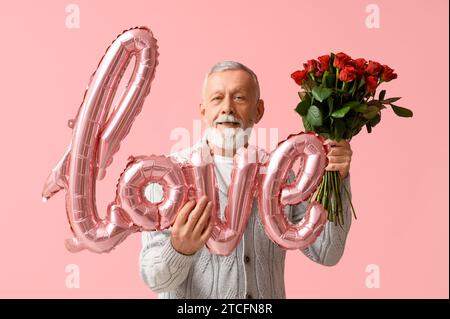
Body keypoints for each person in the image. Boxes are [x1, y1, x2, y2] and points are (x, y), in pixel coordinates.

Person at [139, 61, 353, 299]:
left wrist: (337, 179)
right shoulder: (169, 177)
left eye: (240, 98)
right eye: (217, 98)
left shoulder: (280, 175)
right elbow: (154, 280)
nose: (227, 108)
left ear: (258, 111)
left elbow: (327, 253)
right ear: (203, 111)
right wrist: (179, 249)